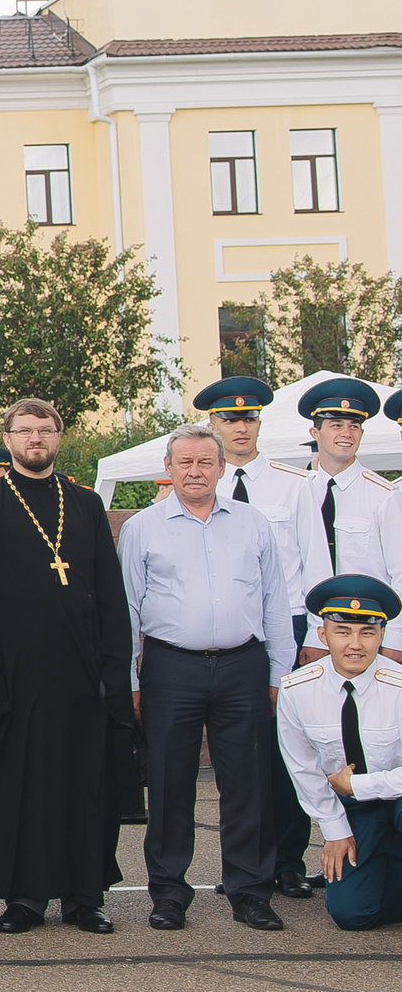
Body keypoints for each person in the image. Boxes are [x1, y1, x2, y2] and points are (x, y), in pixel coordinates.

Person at [0, 398, 132, 934]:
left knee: (83, 786)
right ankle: (24, 896)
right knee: (19, 790)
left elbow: (110, 596)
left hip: (80, 678)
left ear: (59, 436)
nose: (35, 439)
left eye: (44, 430)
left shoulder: (86, 504)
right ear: (7, 439)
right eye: (24, 430)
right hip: (14, 679)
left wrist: (112, 673)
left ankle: (83, 896)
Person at [118, 424, 296, 932]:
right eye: (185, 464)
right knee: (171, 783)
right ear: (168, 470)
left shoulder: (253, 523)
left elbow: (275, 604)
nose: (195, 472)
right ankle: (169, 893)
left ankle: (250, 892)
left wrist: (279, 674)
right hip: (171, 666)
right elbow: (128, 609)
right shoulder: (143, 528)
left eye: (205, 463)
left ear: (221, 468)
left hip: (244, 664)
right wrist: (131, 679)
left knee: (248, 784)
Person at [197, 377, 315, 897]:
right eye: (228, 419)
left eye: (247, 419)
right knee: (237, 758)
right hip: (228, 632)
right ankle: (245, 864)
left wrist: (309, 638)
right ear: (212, 426)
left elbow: (315, 566)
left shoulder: (297, 484)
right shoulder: (199, 482)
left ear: (260, 424)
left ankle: (288, 860)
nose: (239, 427)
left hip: (287, 626)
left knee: (287, 750)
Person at [278, 576, 402, 929]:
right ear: (323, 635)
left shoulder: (399, 687)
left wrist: (358, 786)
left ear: (381, 636)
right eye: (343, 631)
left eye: (367, 633)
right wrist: (334, 830)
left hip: (398, 801)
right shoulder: (297, 690)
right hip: (352, 812)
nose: (355, 645)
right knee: (352, 915)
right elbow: (303, 770)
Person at [296, 378, 397, 591]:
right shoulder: (297, 490)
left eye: (354, 426)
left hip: (364, 618)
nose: (346, 434)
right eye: (336, 425)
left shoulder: (384, 496)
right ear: (315, 434)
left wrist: (395, 626)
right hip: (306, 618)